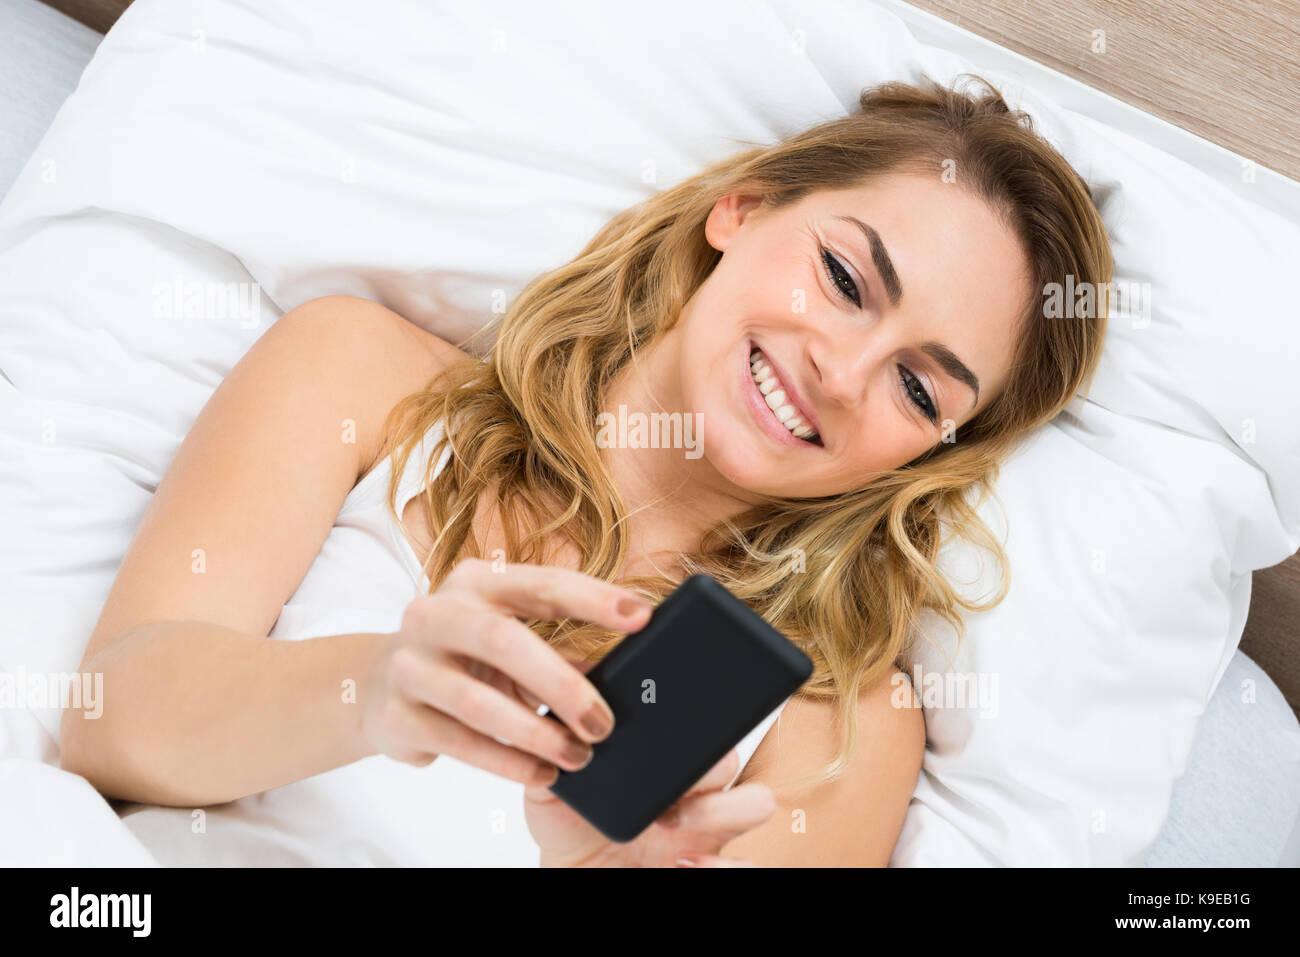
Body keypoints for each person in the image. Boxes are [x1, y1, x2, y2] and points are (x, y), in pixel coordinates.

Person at [61, 76, 1113, 867]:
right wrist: (375, 691)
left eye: (919, 391)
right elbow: (110, 725)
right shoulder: (365, 377)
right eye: (843, 278)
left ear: (933, 452)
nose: (841, 375)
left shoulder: (843, 715)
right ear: (739, 212)